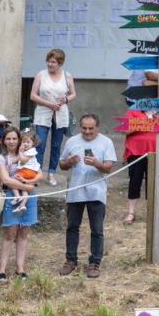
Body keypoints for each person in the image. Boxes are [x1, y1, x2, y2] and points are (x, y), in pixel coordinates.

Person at [58, 114, 117, 279]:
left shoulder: (106, 142)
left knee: (96, 229)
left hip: (96, 191)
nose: (87, 131)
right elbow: (62, 165)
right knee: (72, 227)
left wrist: (97, 164)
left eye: (91, 128)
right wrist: (69, 162)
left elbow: (109, 167)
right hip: (76, 190)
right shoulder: (72, 141)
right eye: (84, 128)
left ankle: (95, 262)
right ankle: (70, 260)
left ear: (97, 127)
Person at [0, 128, 42, 282]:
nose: (12, 141)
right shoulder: (1, 158)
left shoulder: (29, 155)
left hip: (29, 197)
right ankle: (2, 269)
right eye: (8, 138)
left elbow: (40, 174)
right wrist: (28, 187)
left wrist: (31, 182)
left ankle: (20, 268)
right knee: (10, 233)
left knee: (24, 233)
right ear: (4, 140)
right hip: (12, 195)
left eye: (15, 138)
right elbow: (6, 180)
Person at [29, 48, 76, 187]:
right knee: (40, 144)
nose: (50, 64)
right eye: (48, 61)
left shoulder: (67, 76)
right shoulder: (40, 75)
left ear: (60, 63)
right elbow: (33, 95)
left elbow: (73, 94)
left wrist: (66, 99)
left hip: (61, 114)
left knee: (56, 145)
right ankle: (36, 172)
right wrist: (49, 103)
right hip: (43, 113)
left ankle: (51, 173)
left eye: (53, 62)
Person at [123, 108, 159, 224]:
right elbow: (125, 130)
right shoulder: (133, 112)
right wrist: (145, 121)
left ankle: (152, 212)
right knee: (135, 181)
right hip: (135, 151)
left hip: (155, 152)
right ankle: (131, 212)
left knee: (154, 183)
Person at [9, 133, 42, 212]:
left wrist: (20, 151)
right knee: (24, 188)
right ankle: (22, 205)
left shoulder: (32, 151)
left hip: (27, 171)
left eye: (28, 142)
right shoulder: (26, 151)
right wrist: (11, 162)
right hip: (28, 172)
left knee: (12, 180)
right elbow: (18, 159)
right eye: (23, 142)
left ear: (33, 143)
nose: (25, 144)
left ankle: (17, 196)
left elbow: (23, 160)